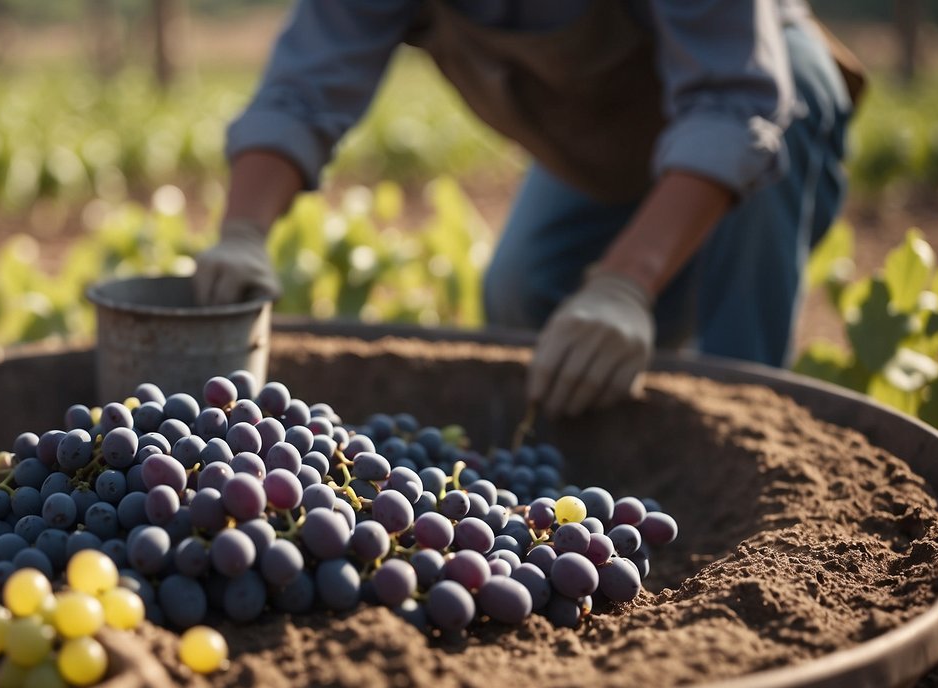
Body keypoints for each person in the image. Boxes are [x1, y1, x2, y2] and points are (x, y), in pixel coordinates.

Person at [191, 1, 859, 418]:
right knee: (523, 289)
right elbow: (303, 88)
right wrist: (244, 231)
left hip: (756, 111)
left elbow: (732, 106)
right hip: (612, 136)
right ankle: (600, 470)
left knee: (736, 331)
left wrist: (626, 282)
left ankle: (746, 454)